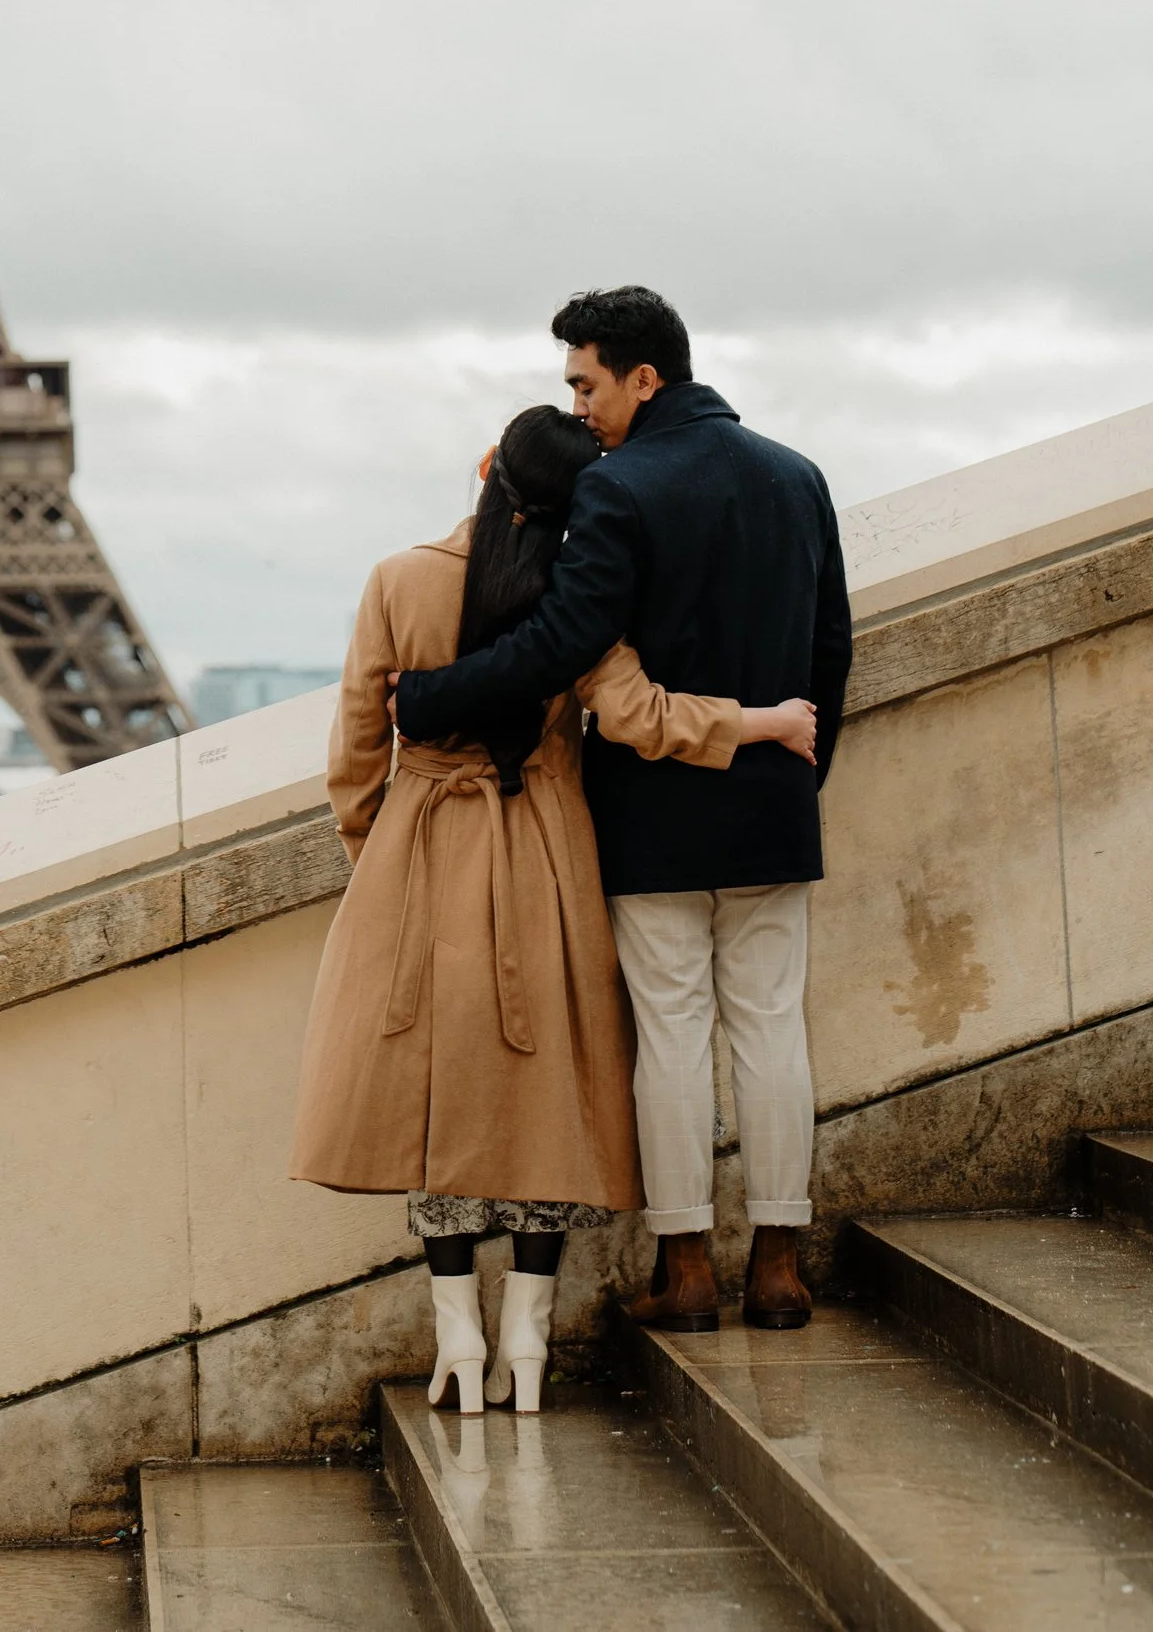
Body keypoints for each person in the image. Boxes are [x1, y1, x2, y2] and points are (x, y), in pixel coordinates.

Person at [289, 404, 817, 1413]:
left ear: (486, 466)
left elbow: (356, 754)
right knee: (544, 1102)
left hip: (425, 849)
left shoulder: (396, 579)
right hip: (542, 857)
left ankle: (457, 1341)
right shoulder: (574, 597)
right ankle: (526, 1340)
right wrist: (762, 721)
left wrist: (380, 855)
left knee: (431, 1102)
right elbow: (640, 717)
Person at [392, 285, 852, 1335]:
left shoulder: (618, 489)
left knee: (672, 1038)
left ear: (644, 377)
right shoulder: (798, 477)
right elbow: (831, 651)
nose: (579, 405)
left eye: (585, 382)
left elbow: (559, 646)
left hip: (650, 814)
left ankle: (686, 1270)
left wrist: (427, 697)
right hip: (771, 801)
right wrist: (792, 780)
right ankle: (777, 1267)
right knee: (774, 1034)